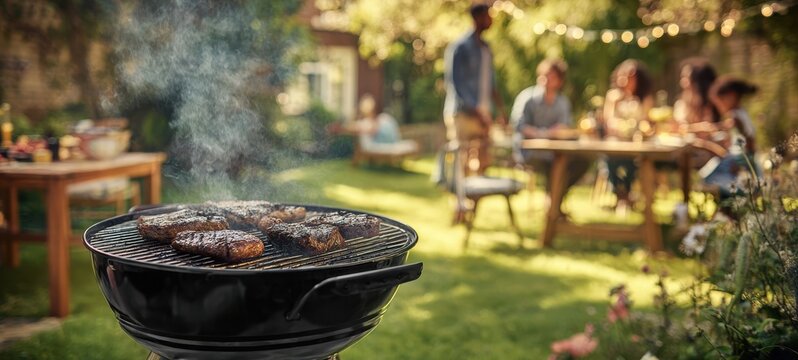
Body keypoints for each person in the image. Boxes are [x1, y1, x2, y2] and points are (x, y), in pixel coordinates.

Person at [511, 58, 590, 214]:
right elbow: (519, 126)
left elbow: (565, 128)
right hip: (529, 151)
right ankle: (554, 207)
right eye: (544, 74)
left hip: (554, 151)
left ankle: (554, 200)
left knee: (581, 162)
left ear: (559, 82)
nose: (546, 79)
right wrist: (545, 133)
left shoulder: (562, 102)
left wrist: (563, 131)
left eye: (551, 76)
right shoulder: (527, 98)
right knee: (557, 164)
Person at [443, 3, 506, 175]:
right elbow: (456, 83)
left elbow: (491, 83)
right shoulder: (460, 47)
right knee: (461, 161)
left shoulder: (486, 48)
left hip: (484, 114)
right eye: (488, 16)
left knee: (483, 161)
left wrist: (500, 110)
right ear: (477, 18)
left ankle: (476, 192)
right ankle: (459, 192)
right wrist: (476, 109)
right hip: (463, 114)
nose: (491, 20)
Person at [696, 76, 759, 214]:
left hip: (741, 162)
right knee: (712, 172)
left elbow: (750, 142)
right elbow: (727, 130)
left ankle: (731, 211)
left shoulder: (735, 117)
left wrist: (742, 164)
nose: (719, 107)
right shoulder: (739, 114)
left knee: (710, 176)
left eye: (720, 102)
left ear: (731, 96)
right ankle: (727, 211)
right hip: (738, 160)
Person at [602, 59, 653, 213]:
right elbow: (608, 122)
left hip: (635, 144)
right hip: (615, 143)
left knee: (635, 161)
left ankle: (626, 195)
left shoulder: (644, 99)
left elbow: (645, 123)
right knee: (609, 159)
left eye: (631, 77)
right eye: (623, 76)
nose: (626, 80)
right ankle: (620, 195)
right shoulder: (613, 97)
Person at [351, 94, 419, 155]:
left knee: (385, 118)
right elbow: (369, 129)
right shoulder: (364, 122)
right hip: (375, 144)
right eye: (365, 105)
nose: (367, 107)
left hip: (383, 141)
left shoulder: (380, 118)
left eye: (369, 104)